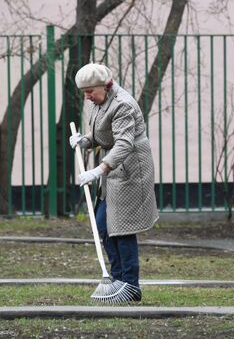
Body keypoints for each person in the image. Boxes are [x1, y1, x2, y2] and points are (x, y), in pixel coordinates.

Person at [69, 63, 159, 302]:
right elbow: (103, 134)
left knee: (122, 228)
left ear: (105, 85)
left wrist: (98, 170)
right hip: (113, 170)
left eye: (90, 91)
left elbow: (124, 143)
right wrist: (84, 140)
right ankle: (117, 279)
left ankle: (131, 285)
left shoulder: (122, 105)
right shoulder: (99, 101)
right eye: (84, 92)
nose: (87, 96)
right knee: (103, 224)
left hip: (130, 169)